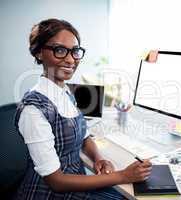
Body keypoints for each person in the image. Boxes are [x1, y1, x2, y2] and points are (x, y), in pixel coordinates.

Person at [14, 18, 152, 200]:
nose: (71, 60)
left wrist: (98, 158)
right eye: (60, 50)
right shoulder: (33, 109)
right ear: (39, 53)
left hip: (77, 181)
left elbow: (85, 137)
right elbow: (55, 181)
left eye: (75, 51)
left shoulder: (65, 92)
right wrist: (121, 176)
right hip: (51, 193)